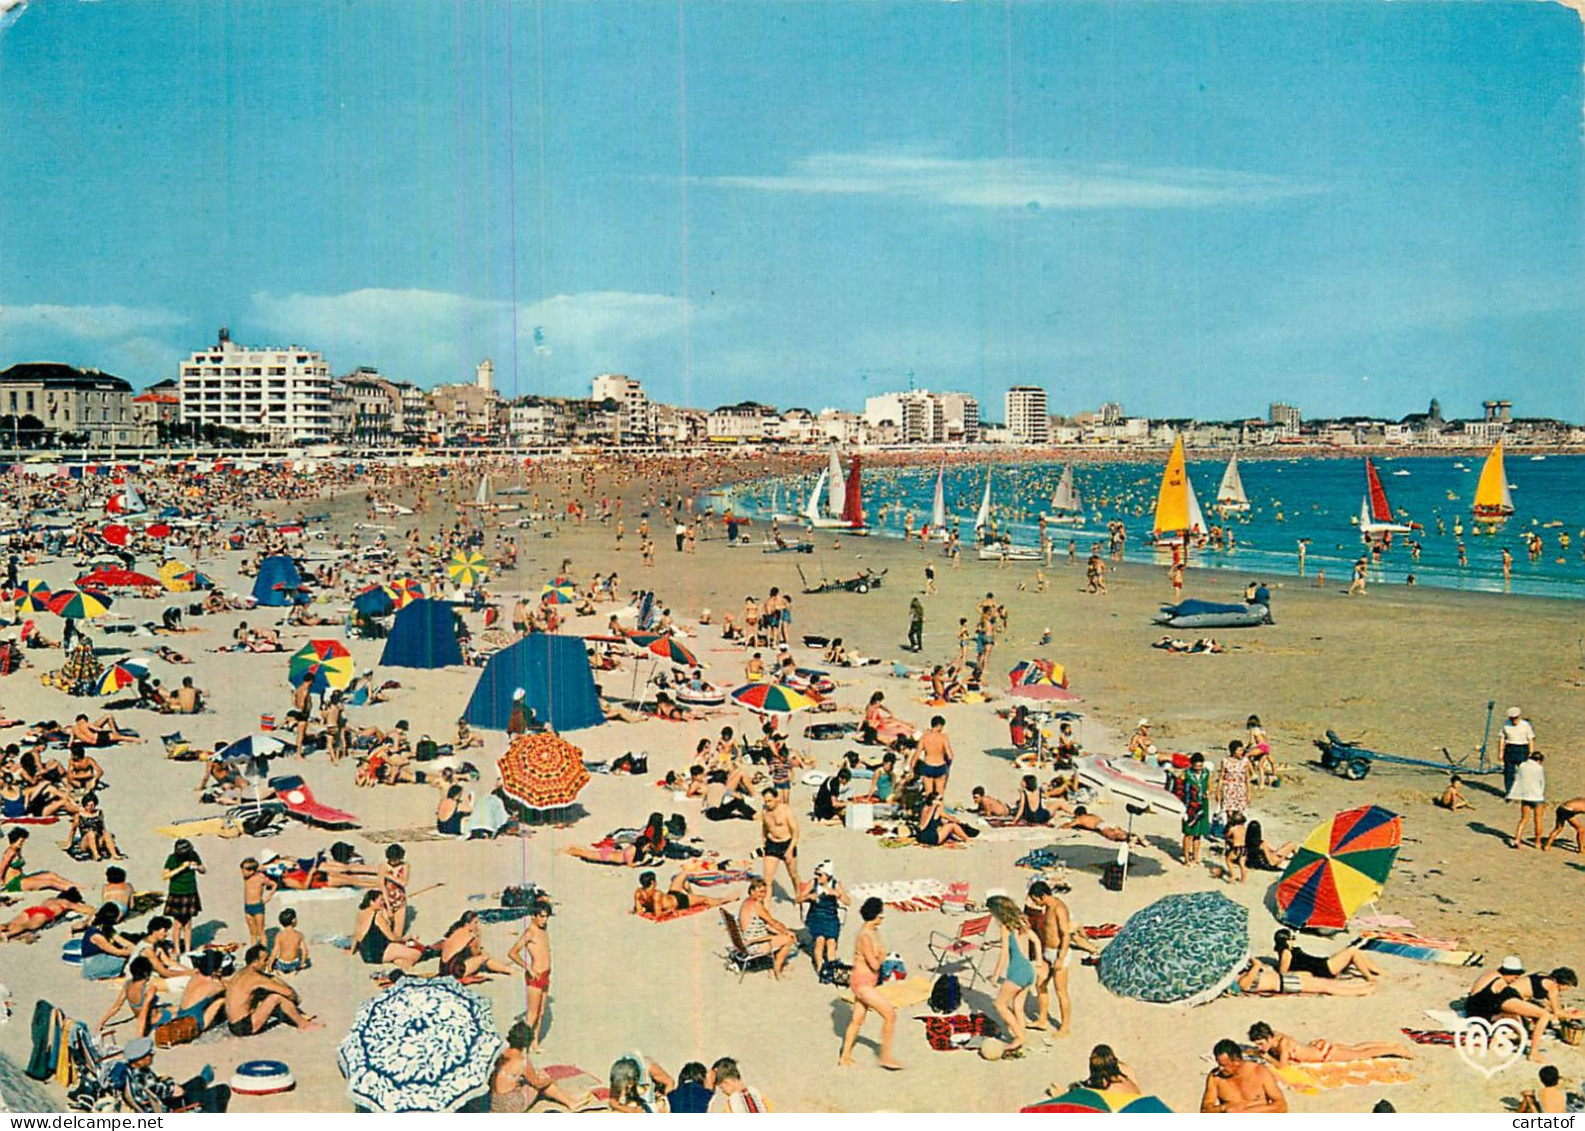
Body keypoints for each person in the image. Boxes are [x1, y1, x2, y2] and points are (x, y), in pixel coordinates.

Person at [837, 897, 902, 1070]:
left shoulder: (873, 931)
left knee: (857, 1019)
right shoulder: (865, 935)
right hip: (862, 983)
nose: (883, 916)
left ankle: (845, 1057)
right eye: (881, 913)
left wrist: (880, 956)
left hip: (866, 982)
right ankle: (885, 1056)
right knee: (890, 1015)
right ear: (875, 915)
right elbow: (874, 963)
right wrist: (881, 957)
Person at [1467, 957, 1555, 1061]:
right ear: (1508, 973)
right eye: (1515, 977)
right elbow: (1510, 1001)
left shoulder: (1491, 974)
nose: (1515, 980)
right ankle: (1524, 1040)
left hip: (1472, 1005)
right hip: (1479, 1011)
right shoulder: (1500, 983)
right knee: (1514, 1016)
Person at [114, 1036, 231, 1114]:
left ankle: (202, 1080)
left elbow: (157, 1087)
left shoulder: (131, 1072)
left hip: (159, 1099)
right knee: (222, 1090)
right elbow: (174, 1092)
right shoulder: (145, 1079)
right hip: (170, 1105)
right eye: (149, 1054)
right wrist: (169, 1081)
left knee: (197, 1081)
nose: (152, 1054)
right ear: (139, 1060)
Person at [224, 943, 321, 1035]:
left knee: (262, 995)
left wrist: (273, 978)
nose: (267, 963)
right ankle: (303, 1024)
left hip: (233, 1024)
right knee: (276, 998)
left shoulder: (242, 973)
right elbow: (288, 992)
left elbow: (270, 980)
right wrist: (295, 1000)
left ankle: (299, 1016)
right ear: (256, 961)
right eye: (265, 960)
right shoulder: (255, 978)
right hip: (244, 1026)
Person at [490, 1019, 586, 1112]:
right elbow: (537, 1083)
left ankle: (569, 1099)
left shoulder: (501, 1053)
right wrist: (549, 1080)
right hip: (510, 1106)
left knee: (535, 1076)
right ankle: (570, 1101)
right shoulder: (522, 1061)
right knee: (541, 1078)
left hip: (494, 1101)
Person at [988, 894, 1041, 1056]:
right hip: (1028, 969)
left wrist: (996, 975)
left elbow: (1004, 955)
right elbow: (1036, 940)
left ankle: (1019, 1038)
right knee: (1018, 1006)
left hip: (1017, 970)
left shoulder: (1005, 927)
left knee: (1000, 1004)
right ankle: (1021, 1037)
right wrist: (1038, 960)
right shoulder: (1022, 922)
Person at [1247, 1021, 1413, 1065]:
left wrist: (1266, 1057)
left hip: (1323, 1054)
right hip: (1317, 1047)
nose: (1260, 1047)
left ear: (1268, 1038)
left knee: (1360, 1054)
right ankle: (1390, 1045)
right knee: (1356, 1048)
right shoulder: (1276, 1036)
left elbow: (1282, 1066)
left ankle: (1396, 1050)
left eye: (1261, 1043)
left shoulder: (1282, 1046)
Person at [507, 899, 554, 1052]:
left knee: (541, 1012)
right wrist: (528, 968)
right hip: (536, 975)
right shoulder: (530, 932)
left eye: (546, 916)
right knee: (532, 1015)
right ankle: (520, 1046)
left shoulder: (543, 929)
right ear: (533, 916)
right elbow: (512, 953)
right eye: (541, 916)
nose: (544, 920)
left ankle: (534, 1044)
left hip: (546, 973)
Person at [1201, 1038, 1287, 1113]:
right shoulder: (1215, 1078)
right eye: (1219, 1064)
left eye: (1224, 1065)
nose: (1220, 1069)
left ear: (1237, 1061)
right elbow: (1205, 1110)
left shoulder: (1260, 1072)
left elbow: (1281, 1106)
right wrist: (1225, 1108)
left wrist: (1246, 1112)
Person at [797, 860, 850, 977]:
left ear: (828, 875)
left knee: (831, 943)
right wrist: (809, 896)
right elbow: (798, 899)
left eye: (820, 875)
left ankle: (831, 967)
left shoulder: (836, 885)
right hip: (816, 917)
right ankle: (821, 968)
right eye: (817, 874)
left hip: (831, 917)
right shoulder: (813, 883)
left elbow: (848, 902)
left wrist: (838, 894)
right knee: (820, 941)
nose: (818, 877)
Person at [1274, 929, 1385, 983]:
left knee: (1355, 952)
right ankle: (1369, 977)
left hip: (1323, 964)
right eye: (1291, 938)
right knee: (1353, 951)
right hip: (1323, 968)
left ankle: (1380, 972)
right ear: (1286, 940)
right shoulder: (1286, 952)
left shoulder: (1287, 951)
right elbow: (1283, 973)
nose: (1293, 941)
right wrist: (1306, 974)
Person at [349, 890, 425, 969]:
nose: (383, 902)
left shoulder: (361, 913)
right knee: (417, 953)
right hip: (378, 953)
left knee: (398, 950)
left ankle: (398, 960)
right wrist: (407, 938)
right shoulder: (377, 917)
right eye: (381, 900)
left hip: (365, 954)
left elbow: (356, 935)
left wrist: (352, 950)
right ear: (372, 902)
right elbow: (392, 938)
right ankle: (402, 962)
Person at [738, 878, 797, 979]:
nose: (763, 895)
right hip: (753, 945)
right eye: (760, 892)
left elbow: (767, 923)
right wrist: (787, 931)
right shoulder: (756, 905)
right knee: (789, 940)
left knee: (779, 933)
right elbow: (772, 922)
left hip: (746, 941)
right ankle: (776, 970)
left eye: (764, 892)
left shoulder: (747, 902)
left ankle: (777, 963)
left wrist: (782, 930)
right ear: (752, 891)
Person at [437, 910, 514, 979]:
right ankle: (508, 970)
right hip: (455, 971)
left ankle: (502, 965)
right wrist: (478, 937)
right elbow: (476, 954)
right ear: (467, 924)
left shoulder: (455, 931)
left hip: (444, 969)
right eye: (475, 923)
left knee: (483, 954)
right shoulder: (469, 936)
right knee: (484, 957)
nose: (477, 925)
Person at [162, 838, 205, 953]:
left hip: (190, 891)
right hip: (177, 892)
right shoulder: (172, 858)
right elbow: (165, 876)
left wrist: (197, 867)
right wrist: (182, 867)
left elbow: (203, 870)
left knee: (188, 923)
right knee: (177, 923)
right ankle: (177, 948)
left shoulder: (193, 855)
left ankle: (187, 949)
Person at [759, 789, 801, 897]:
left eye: (770, 801)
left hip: (786, 843)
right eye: (765, 801)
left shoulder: (786, 811)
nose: (768, 804)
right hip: (772, 843)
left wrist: (790, 850)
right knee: (767, 880)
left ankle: (798, 895)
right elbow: (765, 826)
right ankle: (766, 907)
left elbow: (795, 832)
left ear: (776, 799)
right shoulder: (764, 811)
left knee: (793, 874)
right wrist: (764, 841)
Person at [1177, 752, 1211, 867]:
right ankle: (1186, 858)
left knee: (1199, 833)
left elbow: (1208, 785)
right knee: (1189, 833)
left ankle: (1196, 857)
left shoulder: (1206, 773)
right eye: (1196, 767)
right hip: (1190, 806)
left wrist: (1207, 791)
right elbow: (1178, 788)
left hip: (1203, 805)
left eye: (1200, 766)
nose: (1198, 769)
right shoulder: (1186, 774)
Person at [1509, 751, 1547, 849]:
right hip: (1537, 797)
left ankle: (1517, 839)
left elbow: (1518, 779)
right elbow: (1541, 782)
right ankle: (1537, 842)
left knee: (1524, 819)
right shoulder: (1539, 768)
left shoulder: (1523, 766)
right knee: (1538, 820)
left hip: (1526, 796)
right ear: (1539, 760)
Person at [708, 1057, 772, 1112]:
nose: (723, 1092)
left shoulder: (731, 1105)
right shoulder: (759, 1096)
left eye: (722, 1087)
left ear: (727, 1083)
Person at [910, 715, 953, 798]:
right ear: (939, 726)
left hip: (927, 766)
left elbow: (916, 754)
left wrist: (912, 768)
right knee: (939, 796)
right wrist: (947, 767)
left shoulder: (924, 737)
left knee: (929, 796)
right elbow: (950, 755)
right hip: (940, 765)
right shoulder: (943, 737)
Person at [240, 857, 276, 948]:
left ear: (251, 870)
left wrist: (268, 896)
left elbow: (274, 885)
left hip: (258, 906)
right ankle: (254, 953)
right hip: (248, 906)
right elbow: (260, 867)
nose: (242, 872)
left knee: (261, 931)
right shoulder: (246, 877)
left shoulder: (260, 878)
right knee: (252, 933)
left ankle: (264, 952)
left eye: (244, 870)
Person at [1501, 706, 1536, 796]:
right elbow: (1502, 738)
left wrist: (1531, 752)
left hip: (1522, 748)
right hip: (1510, 748)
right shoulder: (1506, 724)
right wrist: (1500, 752)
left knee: (1524, 772)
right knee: (1508, 772)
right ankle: (1509, 792)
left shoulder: (1525, 725)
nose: (1514, 721)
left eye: (1515, 718)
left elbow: (1530, 739)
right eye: (1512, 719)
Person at [268, 908, 309, 975]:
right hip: (294, 963)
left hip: (282, 963)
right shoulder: (299, 935)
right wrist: (302, 963)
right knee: (298, 962)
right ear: (294, 920)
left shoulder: (279, 935)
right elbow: (305, 951)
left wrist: (270, 965)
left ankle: (279, 971)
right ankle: (294, 971)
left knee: (277, 963)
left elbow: (275, 951)